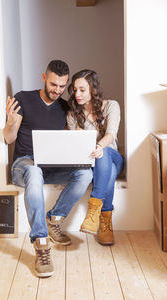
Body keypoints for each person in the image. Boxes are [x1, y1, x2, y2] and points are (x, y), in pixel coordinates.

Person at [3, 60, 92, 278]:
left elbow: (66, 144)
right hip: (25, 164)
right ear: (44, 77)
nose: (57, 90)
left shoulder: (64, 107)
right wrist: (11, 122)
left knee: (85, 173)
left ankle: (55, 219)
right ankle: (41, 243)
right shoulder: (23, 98)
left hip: (51, 165)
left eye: (62, 86)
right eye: (53, 84)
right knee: (34, 171)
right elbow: (8, 138)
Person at [67, 69, 123, 246]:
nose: (77, 94)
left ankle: (94, 207)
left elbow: (111, 134)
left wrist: (99, 146)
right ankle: (105, 220)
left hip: (113, 156)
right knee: (110, 173)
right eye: (75, 90)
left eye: (82, 89)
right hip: (90, 162)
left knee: (105, 153)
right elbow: (76, 145)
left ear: (93, 89)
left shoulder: (111, 106)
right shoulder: (72, 114)